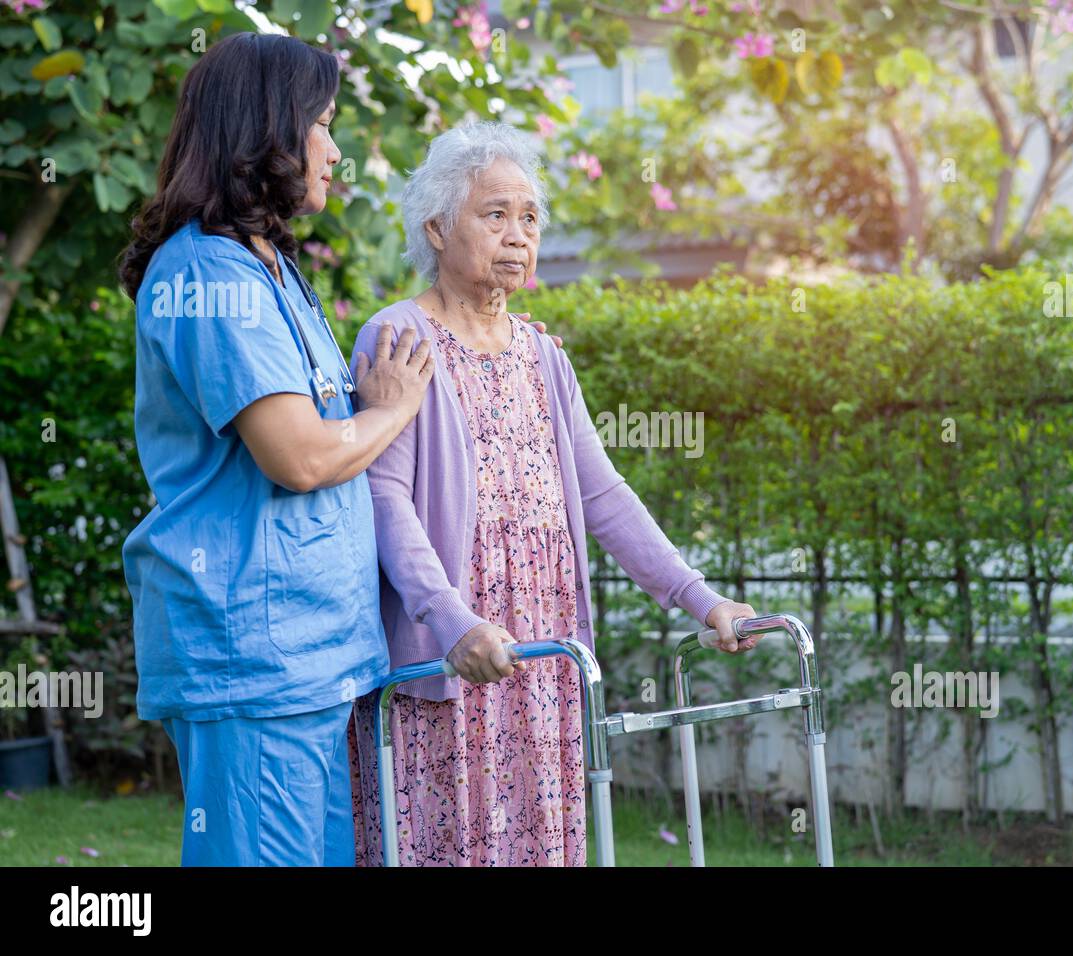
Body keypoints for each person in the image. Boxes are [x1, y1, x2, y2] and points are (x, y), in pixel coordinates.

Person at [117, 34, 557, 866]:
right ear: (267, 132)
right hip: (252, 656)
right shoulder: (208, 274)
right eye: (320, 125)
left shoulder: (271, 269)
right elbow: (304, 457)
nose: (334, 150)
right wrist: (392, 409)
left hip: (315, 658)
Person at [346, 121, 760, 866]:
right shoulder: (398, 337)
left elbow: (604, 494)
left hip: (542, 651)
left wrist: (703, 599)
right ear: (437, 229)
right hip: (453, 651)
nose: (517, 234)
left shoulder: (544, 355)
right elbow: (385, 501)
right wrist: (451, 621)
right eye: (495, 214)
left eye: (530, 218)